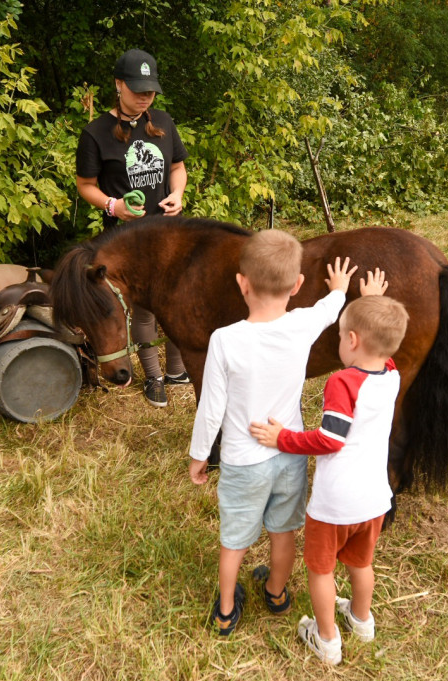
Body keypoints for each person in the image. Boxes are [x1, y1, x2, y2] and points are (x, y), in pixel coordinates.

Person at [188, 228, 358, 636]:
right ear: (297, 285)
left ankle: (226, 610)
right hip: (290, 452)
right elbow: (328, 310)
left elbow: (211, 408)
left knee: (235, 540)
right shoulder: (302, 324)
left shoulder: (224, 340)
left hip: (243, 462)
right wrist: (339, 289)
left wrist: (199, 456)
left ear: (241, 283)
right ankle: (277, 592)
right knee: (284, 532)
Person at [248, 269, 408, 665]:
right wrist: (370, 304)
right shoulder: (392, 374)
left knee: (321, 571)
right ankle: (361, 619)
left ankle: (326, 639)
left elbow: (330, 440)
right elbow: (381, 346)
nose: (338, 341)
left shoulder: (342, 382)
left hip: (336, 503)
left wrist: (282, 438)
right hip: (374, 499)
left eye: (340, 336)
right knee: (361, 563)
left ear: (352, 341)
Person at [75, 48, 189, 408]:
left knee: (176, 298)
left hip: (169, 233)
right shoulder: (95, 134)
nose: (144, 97)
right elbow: (85, 185)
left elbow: (177, 167)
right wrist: (114, 206)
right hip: (126, 241)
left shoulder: (164, 123)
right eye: (137, 89)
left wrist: (178, 194)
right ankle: (153, 377)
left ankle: (176, 371)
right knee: (142, 308)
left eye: (150, 91)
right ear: (118, 84)